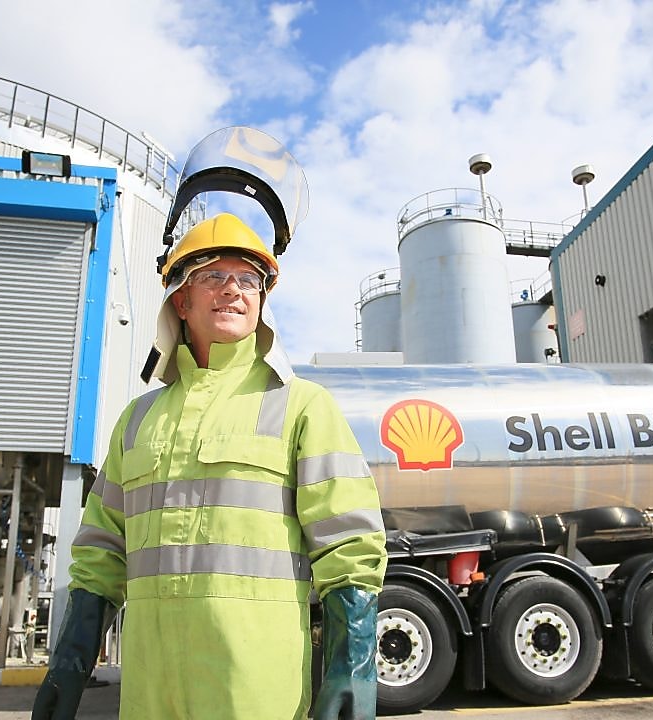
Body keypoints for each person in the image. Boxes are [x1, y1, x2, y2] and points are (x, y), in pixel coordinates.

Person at [32, 128, 387, 720]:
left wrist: (351, 668)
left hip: (256, 693)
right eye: (213, 276)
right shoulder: (137, 421)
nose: (233, 290)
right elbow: (99, 551)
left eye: (249, 279)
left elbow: (350, 546)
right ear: (179, 298)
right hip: (151, 694)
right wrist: (71, 659)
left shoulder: (301, 406)